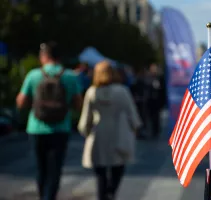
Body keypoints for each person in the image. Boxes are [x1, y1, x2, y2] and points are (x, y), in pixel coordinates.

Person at [16, 41, 82, 200]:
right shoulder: (69, 76)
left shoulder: (34, 75)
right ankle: (49, 197)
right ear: (60, 57)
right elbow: (78, 104)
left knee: (40, 169)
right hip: (61, 128)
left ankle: (42, 195)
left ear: (44, 56)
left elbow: (21, 102)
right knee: (55, 170)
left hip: (36, 127)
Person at [78, 61, 142, 200]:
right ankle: (111, 192)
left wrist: (85, 131)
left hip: (98, 135)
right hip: (118, 133)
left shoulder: (92, 92)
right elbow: (132, 113)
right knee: (118, 167)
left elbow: (86, 118)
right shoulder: (122, 91)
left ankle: (103, 194)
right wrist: (135, 128)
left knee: (100, 173)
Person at [146, 64, 165, 139]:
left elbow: (163, 90)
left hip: (157, 101)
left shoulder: (160, 78)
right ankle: (151, 130)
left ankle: (156, 130)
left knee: (156, 117)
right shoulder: (148, 78)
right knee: (150, 116)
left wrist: (162, 101)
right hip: (150, 101)